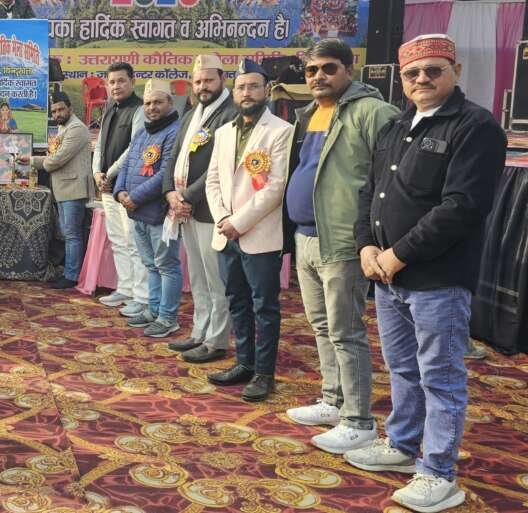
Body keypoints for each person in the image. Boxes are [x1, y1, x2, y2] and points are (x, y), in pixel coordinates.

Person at [346, 34, 507, 513]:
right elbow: (370, 192)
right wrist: (366, 246)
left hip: (437, 279)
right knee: (401, 368)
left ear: (455, 71)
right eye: (412, 72)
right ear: (401, 78)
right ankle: (401, 444)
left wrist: (397, 255)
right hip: (387, 275)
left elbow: (461, 207)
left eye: (434, 70)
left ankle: (439, 472)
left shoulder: (475, 126)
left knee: (440, 377)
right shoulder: (397, 124)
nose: (422, 79)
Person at [283, 39, 399, 454]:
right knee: (321, 327)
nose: (318, 76)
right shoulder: (310, 112)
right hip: (306, 236)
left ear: (349, 70)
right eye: (311, 70)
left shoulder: (374, 112)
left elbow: (391, 178)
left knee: (346, 332)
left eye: (328, 68)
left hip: (344, 241)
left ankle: (358, 420)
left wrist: (372, 238)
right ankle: (333, 400)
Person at [204, 59, 293, 402]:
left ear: (266, 89)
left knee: (264, 307)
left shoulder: (281, 130)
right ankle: (244, 362)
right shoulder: (224, 132)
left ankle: (264, 373)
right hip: (225, 233)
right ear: (234, 92)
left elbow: (275, 187)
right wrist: (223, 219)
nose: (246, 92)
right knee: (236, 301)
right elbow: (213, 180)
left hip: (260, 235)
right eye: (241, 87)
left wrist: (238, 222)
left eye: (253, 86)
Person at [163, 54, 238, 363]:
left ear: (222, 79)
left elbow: (219, 166)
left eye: (208, 80)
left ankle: (216, 340)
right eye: (197, 82)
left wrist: (187, 196)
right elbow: (173, 156)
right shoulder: (193, 113)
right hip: (185, 209)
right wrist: (170, 193)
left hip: (209, 210)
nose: (202, 86)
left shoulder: (230, 113)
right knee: (197, 276)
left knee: (215, 279)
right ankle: (199, 332)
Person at [113, 80, 183, 338]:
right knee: (151, 265)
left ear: (170, 103)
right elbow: (127, 163)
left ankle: (168, 318)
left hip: (159, 213)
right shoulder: (143, 132)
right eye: (148, 103)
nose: (152, 107)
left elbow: (166, 172)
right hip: (137, 211)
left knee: (167, 266)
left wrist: (135, 197)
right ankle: (153, 311)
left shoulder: (175, 131)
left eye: (158, 102)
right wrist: (119, 191)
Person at [92, 62, 149, 317]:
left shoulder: (139, 109)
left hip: (127, 187)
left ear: (132, 82)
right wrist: (96, 172)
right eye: (112, 82)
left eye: (121, 81)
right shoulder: (109, 109)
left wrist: (110, 173)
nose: (116, 86)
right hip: (106, 186)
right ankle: (125, 288)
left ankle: (140, 295)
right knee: (117, 240)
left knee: (133, 242)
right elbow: (99, 145)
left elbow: (134, 148)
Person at [25, 92, 94, 289]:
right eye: (54, 111)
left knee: (72, 234)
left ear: (70, 108)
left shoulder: (77, 128)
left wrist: (32, 160)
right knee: (67, 233)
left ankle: (72, 276)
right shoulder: (63, 127)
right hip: (64, 188)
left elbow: (57, 159)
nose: (57, 114)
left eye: (61, 109)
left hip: (74, 189)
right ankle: (70, 271)